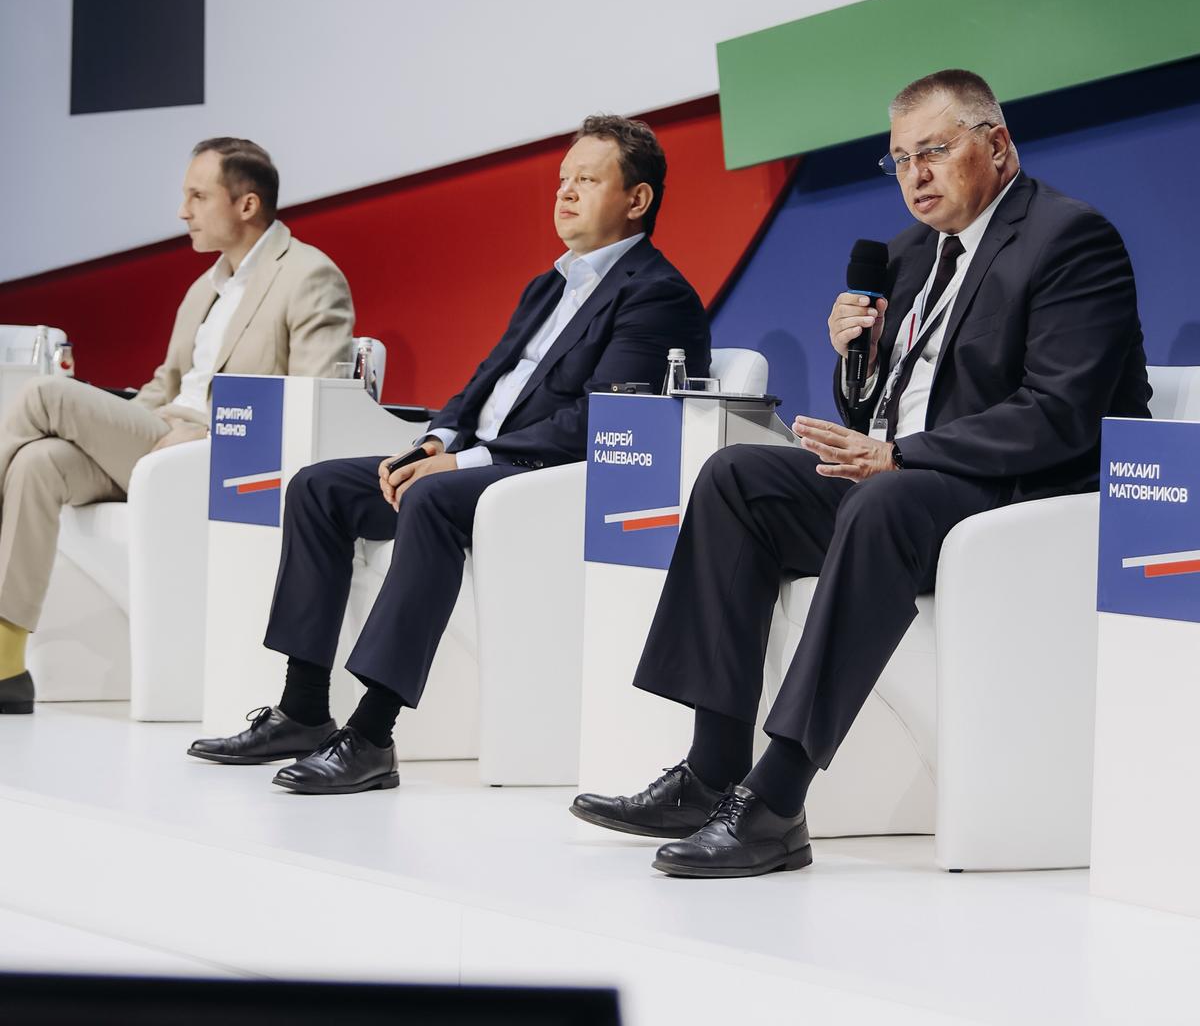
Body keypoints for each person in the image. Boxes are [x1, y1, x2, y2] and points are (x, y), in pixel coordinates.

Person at [572, 69, 1150, 878]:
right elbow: (886, 405)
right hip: (916, 481)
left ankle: (776, 801)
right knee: (736, 479)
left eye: (934, 151)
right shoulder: (908, 255)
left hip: (1020, 494)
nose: (915, 175)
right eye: (900, 159)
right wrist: (858, 361)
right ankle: (710, 772)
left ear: (997, 145)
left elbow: (1061, 413)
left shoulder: (1068, 239)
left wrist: (900, 455)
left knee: (883, 501)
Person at [189, 113, 711, 795]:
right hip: (475, 463)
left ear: (637, 199)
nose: (564, 192)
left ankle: (371, 736)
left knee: (432, 498)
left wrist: (463, 463)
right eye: (563, 179)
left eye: (586, 180)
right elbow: (481, 385)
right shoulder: (548, 286)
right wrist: (437, 440)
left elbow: (600, 422)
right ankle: (303, 709)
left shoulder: (657, 295)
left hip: (544, 481)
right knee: (318, 488)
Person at [0, 138, 355, 715]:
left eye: (197, 196)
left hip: (219, 457)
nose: (183, 211)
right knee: (39, 463)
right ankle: (6, 667)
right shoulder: (204, 288)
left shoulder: (309, 275)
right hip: (161, 436)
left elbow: (312, 402)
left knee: (43, 393)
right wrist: (106, 429)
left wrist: (214, 436)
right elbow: (164, 387)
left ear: (246, 204)